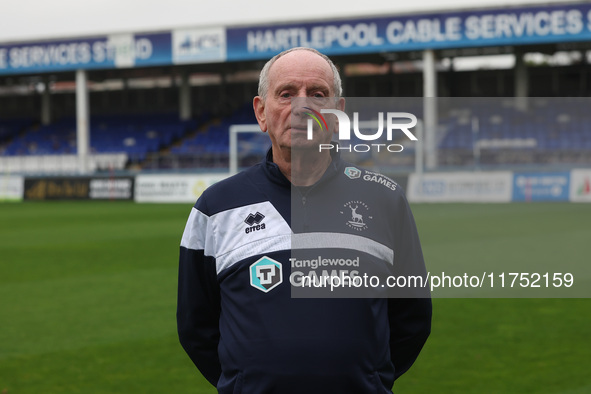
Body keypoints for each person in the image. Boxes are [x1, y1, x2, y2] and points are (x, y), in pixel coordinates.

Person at [177, 47, 431, 394]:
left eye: (318, 94)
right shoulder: (216, 207)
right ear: (261, 112)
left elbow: (412, 320)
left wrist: (366, 378)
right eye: (286, 94)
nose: (302, 105)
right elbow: (196, 326)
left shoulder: (385, 199)